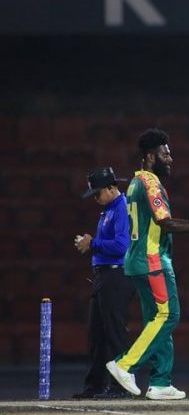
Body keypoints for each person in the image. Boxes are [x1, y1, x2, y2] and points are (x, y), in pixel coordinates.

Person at [106, 129, 189, 400]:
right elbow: (166, 223)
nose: (171, 159)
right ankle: (125, 364)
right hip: (152, 262)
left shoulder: (135, 182)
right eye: (166, 154)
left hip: (137, 261)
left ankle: (160, 381)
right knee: (168, 316)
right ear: (151, 157)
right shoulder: (150, 183)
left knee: (157, 319)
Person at [72, 167, 134, 399]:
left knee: (114, 332)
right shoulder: (108, 209)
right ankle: (95, 386)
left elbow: (122, 246)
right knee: (97, 334)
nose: (96, 198)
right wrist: (93, 245)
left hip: (116, 276)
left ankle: (121, 387)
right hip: (103, 277)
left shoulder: (121, 208)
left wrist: (93, 243)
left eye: (98, 193)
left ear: (111, 188)